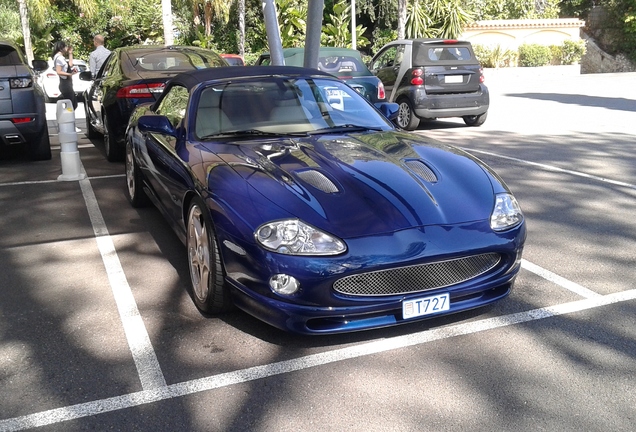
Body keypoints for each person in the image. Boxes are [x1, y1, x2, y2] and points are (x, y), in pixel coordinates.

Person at [52, 40, 78, 111]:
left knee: (72, 104)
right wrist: (70, 74)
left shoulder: (60, 57)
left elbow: (70, 64)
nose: (67, 48)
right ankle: (68, 117)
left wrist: (70, 53)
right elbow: (59, 71)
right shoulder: (59, 58)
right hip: (65, 84)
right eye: (65, 46)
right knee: (72, 104)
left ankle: (68, 116)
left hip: (67, 83)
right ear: (61, 48)